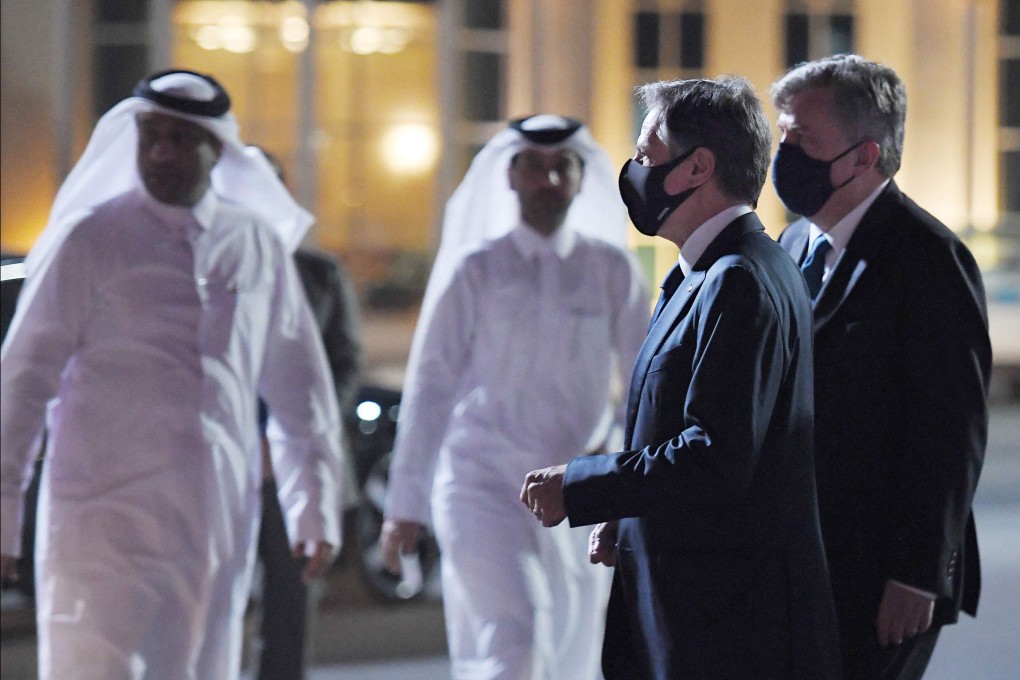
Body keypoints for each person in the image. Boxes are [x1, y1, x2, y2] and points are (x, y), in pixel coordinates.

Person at [0, 69, 345, 680]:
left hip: (212, 517)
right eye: (152, 136)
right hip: (98, 519)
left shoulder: (255, 244)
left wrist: (311, 506)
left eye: (182, 139)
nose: (162, 153)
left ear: (219, 149)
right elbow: (24, 382)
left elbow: (301, 389)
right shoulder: (90, 239)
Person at [521, 77, 843, 680]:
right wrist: (626, 510)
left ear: (696, 167)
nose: (634, 170)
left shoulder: (738, 278)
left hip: (727, 625)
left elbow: (715, 455)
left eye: (646, 155)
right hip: (695, 609)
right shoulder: (702, 274)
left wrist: (584, 485)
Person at [380, 114, 650, 680]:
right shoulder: (473, 270)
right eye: (534, 167)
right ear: (510, 176)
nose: (548, 180)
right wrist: (405, 505)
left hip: (581, 493)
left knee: (574, 654)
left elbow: (642, 389)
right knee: (513, 642)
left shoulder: (611, 270)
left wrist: (622, 486)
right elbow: (430, 388)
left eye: (561, 168)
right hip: (483, 486)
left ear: (580, 179)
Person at [769, 54, 991, 680]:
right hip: (814, 558)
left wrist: (917, 573)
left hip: (887, 573)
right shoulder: (793, 244)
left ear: (864, 157)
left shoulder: (928, 259)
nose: (783, 152)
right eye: (782, 134)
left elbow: (951, 429)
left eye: (801, 138)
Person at [250, 147, 363, 680]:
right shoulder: (202, 262)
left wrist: (295, 432)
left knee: (291, 606)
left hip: (294, 462)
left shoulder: (318, 271)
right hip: (224, 461)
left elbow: (344, 363)